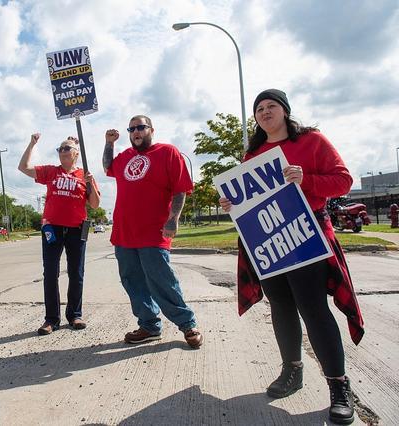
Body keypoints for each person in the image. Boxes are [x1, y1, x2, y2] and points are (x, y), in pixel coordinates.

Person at [219, 89, 364, 425]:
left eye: (271, 106)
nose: (265, 112)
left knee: (313, 309)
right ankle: (292, 371)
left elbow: (343, 181)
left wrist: (306, 179)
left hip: (305, 236)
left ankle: (339, 386)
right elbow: (248, 201)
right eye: (259, 108)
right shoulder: (253, 154)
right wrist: (232, 204)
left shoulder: (311, 141)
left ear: (284, 111)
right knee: (281, 307)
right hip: (266, 242)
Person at [102, 115, 203, 348]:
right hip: (124, 233)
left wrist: (173, 219)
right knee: (132, 282)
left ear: (151, 130)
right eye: (132, 129)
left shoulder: (167, 152)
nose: (136, 132)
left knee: (162, 281)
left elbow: (180, 189)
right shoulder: (125, 157)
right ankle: (149, 326)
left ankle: (188, 324)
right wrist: (109, 143)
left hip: (154, 232)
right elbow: (108, 167)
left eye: (140, 127)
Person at [18, 133, 100, 335]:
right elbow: (23, 168)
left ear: (76, 153)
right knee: (50, 273)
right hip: (52, 229)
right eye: (60, 149)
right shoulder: (50, 172)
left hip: (76, 229)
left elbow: (95, 205)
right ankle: (51, 319)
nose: (62, 151)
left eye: (66, 148)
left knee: (76, 273)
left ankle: (75, 315)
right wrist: (31, 144)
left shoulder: (85, 175)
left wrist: (91, 184)